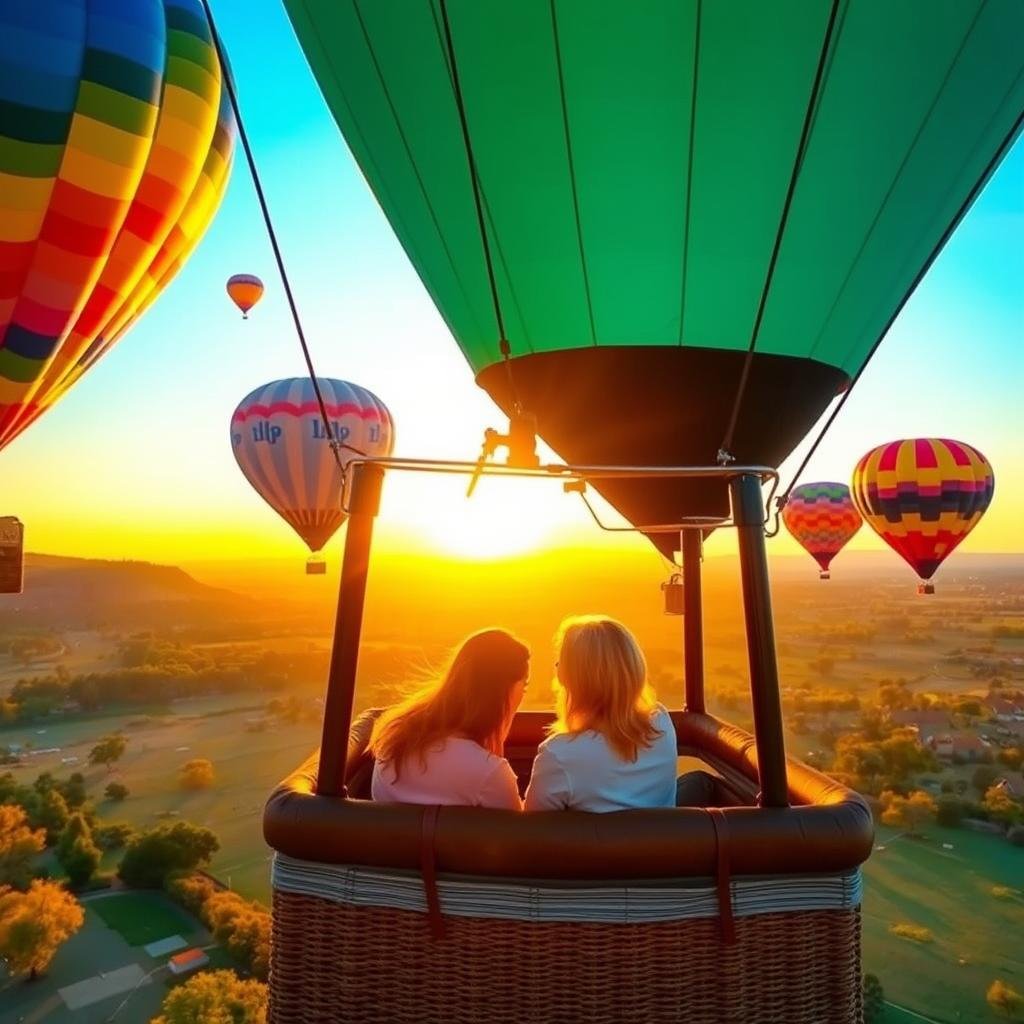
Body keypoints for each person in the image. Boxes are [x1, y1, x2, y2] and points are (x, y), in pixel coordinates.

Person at [525, 616, 678, 812]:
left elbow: (533, 830)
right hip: (664, 843)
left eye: (559, 664)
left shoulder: (558, 755)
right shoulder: (662, 723)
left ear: (569, 680)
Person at [370, 628, 528, 809]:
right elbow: (515, 834)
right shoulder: (490, 772)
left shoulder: (390, 742)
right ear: (505, 693)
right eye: (525, 685)